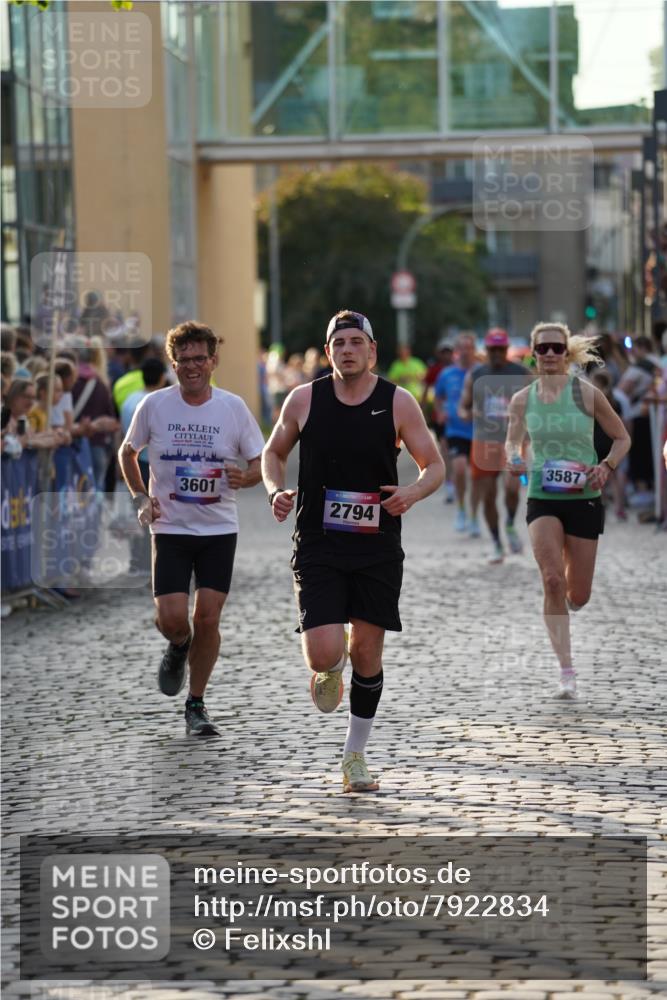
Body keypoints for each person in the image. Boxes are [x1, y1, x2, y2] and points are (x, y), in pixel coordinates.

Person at [262, 309, 445, 792]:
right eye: (339, 343)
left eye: (356, 342)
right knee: (324, 655)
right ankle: (331, 661)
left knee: (367, 652)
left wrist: (412, 493)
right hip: (318, 542)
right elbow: (273, 452)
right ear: (328, 353)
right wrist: (274, 489)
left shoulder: (397, 401)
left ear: (372, 351)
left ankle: (354, 757)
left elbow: (434, 466)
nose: (347, 350)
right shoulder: (304, 399)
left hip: (376, 546)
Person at [118, 320, 264, 737]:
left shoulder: (232, 408)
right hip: (170, 527)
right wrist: (141, 498)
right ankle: (178, 645)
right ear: (173, 365)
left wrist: (246, 478)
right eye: (184, 360)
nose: (192, 367)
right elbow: (128, 453)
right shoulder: (155, 406)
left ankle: (196, 703)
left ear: (213, 361)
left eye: (200, 359)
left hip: (218, 528)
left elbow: (260, 463)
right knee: (172, 619)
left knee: (208, 617)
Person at [506, 322, 630, 699]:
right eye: (542, 348)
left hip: (584, 497)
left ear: (566, 353)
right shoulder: (522, 400)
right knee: (552, 580)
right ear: (533, 354)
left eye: (556, 348)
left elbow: (622, 438)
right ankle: (566, 671)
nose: (549, 354)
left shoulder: (586, 394)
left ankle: (570, 601)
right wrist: (514, 458)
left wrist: (606, 466)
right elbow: (512, 442)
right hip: (543, 496)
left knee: (579, 594)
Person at [460, 328, 532, 562]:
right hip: (484, 440)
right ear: (487, 350)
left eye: (501, 349)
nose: (497, 354)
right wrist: (470, 414)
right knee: (488, 496)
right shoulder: (476, 374)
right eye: (493, 349)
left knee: (513, 488)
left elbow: (537, 405)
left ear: (507, 349)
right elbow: (463, 407)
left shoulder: (522, 373)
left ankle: (509, 524)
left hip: (514, 440)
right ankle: (496, 542)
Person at [434, 333, 477, 533]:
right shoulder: (447, 374)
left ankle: (474, 516)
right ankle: (461, 509)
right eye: (462, 348)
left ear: (474, 350)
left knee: (477, 478)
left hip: (479, 431)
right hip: (455, 430)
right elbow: (438, 397)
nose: (466, 352)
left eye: (469, 348)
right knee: (459, 469)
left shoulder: (481, 372)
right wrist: (440, 413)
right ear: (457, 351)